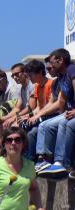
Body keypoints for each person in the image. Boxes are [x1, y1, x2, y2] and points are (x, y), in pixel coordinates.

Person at [38, 49, 75, 178]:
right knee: (47, 125)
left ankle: (63, 162)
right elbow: (62, 100)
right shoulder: (62, 76)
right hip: (70, 112)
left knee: (66, 124)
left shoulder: (72, 70)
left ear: (60, 60)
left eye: (52, 62)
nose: (50, 66)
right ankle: (47, 161)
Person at [16, 60, 53, 161]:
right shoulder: (37, 86)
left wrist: (36, 116)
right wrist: (28, 115)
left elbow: (51, 105)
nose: (29, 77)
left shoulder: (51, 84)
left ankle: (32, 159)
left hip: (50, 116)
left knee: (32, 133)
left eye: (30, 74)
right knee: (21, 127)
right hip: (41, 115)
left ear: (40, 72)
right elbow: (38, 107)